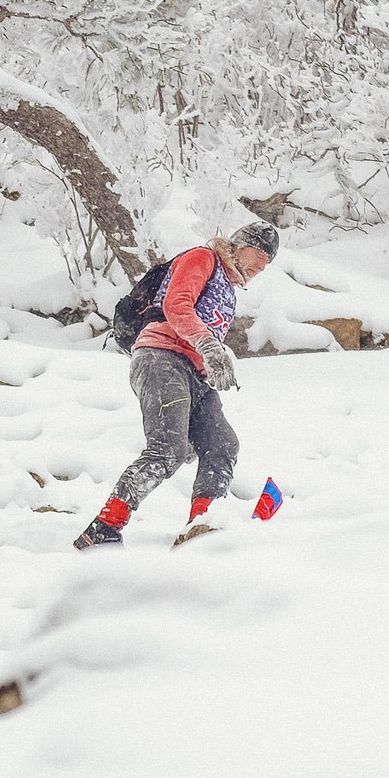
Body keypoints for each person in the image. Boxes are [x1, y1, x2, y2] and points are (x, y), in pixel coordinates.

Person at [75, 223, 279, 550]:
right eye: (258, 256)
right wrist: (209, 346)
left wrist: (215, 360)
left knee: (221, 444)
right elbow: (177, 305)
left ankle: (202, 526)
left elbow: (200, 329)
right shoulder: (203, 258)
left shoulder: (227, 288)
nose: (260, 267)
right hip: (160, 358)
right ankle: (103, 528)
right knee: (167, 450)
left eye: (266, 264)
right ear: (240, 245)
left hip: (193, 374)